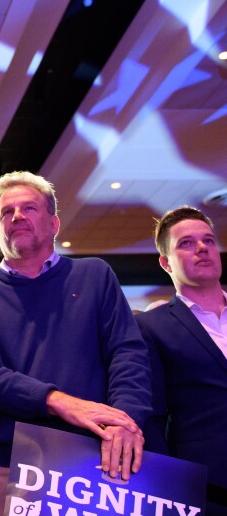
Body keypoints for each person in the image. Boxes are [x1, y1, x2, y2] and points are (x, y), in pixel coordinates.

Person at [0, 171, 152, 516]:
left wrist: (125, 421)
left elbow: (127, 353)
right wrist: (58, 401)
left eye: (28, 208)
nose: (16, 216)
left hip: (99, 461)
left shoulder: (94, 275)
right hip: (15, 467)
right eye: (6, 212)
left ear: (54, 223)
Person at [135, 206, 227, 515]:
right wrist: (168, 491)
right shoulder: (151, 326)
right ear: (165, 262)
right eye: (186, 243)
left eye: (208, 240)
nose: (202, 248)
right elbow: (153, 417)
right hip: (207, 491)